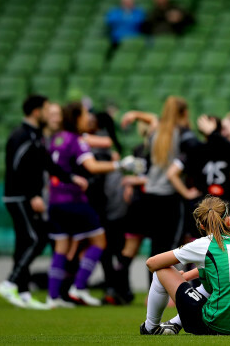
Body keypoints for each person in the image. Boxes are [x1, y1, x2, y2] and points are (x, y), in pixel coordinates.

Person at [46, 101, 141, 308]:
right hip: (74, 200)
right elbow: (92, 166)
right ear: (75, 118)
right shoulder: (76, 140)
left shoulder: (56, 139)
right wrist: (119, 165)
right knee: (99, 242)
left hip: (54, 200)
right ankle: (78, 288)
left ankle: (53, 297)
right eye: (84, 115)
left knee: (61, 247)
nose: (88, 119)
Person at [0, 95, 88, 310]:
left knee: (25, 241)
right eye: (47, 109)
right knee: (36, 238)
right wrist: (32, 195)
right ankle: (10, 283)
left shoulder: (34, 135)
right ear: (37, 112)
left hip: (23, 196)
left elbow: (46, 163)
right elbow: (17, 169)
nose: (51, 114)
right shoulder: (21, 135)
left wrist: (71, 178)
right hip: (18, 197)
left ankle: (23, 291)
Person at [139, 195, 230, 336]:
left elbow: (152, 263)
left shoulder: (204, 244)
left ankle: (150, 328)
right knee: (213, 280)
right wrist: (186, 276)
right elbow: (224, 268)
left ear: (202, 225)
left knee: (161, 270)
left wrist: (174, 279)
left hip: (217, 326)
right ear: (228, 220)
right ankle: (174, 324)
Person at [116, 97, 199, 302]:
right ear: (184, 113)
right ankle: (169, 295)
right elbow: (173, 173)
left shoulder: (156, 131)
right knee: (171, 249)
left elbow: (152, 118)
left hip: (149, 196)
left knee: (155, 249)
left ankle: (151, 295)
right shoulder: (180, 134)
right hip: (169, 197)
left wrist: (134, 114)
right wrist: (186, 193)